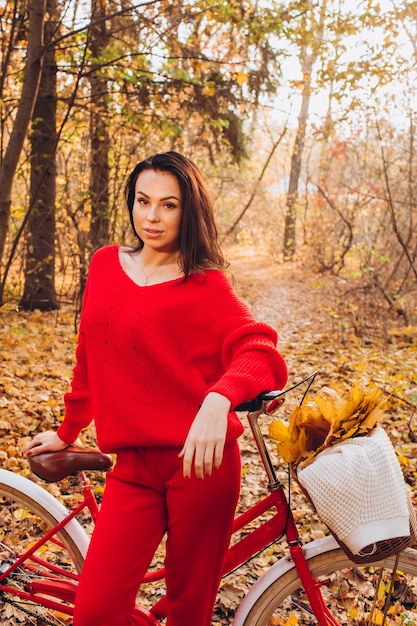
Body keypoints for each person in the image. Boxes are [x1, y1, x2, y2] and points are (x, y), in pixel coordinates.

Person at [26, 151, 288, 626]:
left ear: (189, 210)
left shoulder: (207, 286)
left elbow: (262, 350)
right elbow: (91, 355)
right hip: (133, 468)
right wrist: (68, 430)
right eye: (143, 201)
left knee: (189, 612)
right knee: (96, 612)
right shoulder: (106, 264)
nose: (152, 216)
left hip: (202, 469)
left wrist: (218, 397)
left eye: (168, 205)